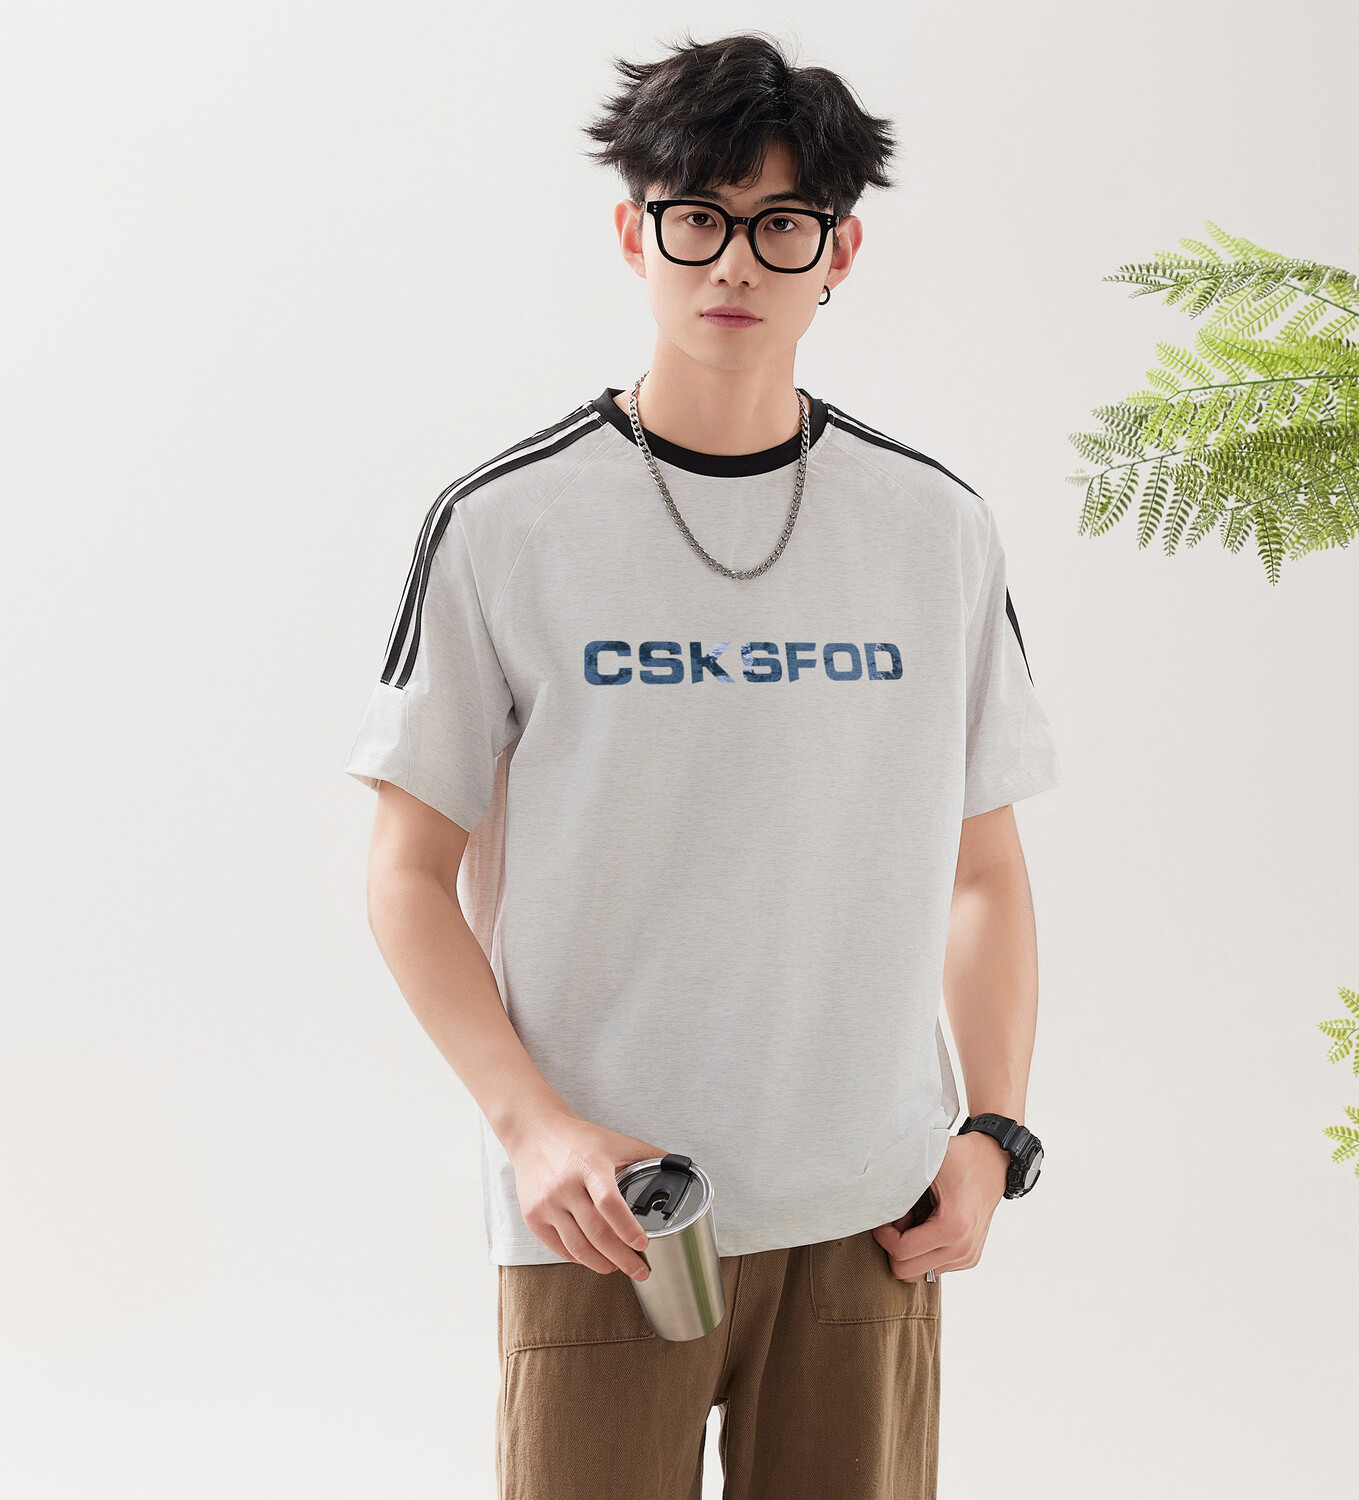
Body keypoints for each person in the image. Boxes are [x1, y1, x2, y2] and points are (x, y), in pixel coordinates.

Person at [344, 28, 1063, 1500]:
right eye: (698, 218)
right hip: (607, 1212)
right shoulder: (504, 527)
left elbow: (984, 869)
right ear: (636, 233)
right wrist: (533, 1130)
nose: (735, 260)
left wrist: (992, 1129)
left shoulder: (936, 531)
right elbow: (406, 874)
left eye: (781, 223)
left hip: (870, 1215)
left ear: (837, 252)